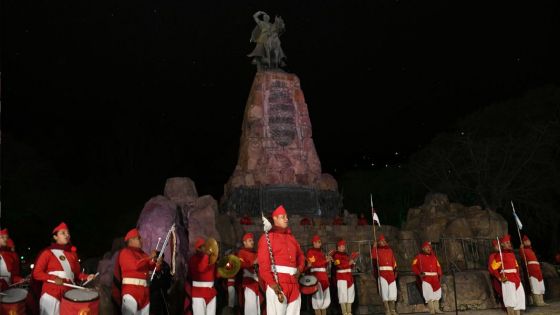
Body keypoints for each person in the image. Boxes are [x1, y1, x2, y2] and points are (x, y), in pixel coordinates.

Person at [32, 222, 95, 315]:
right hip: (51, 293)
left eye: (68, 233)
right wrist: (53, 278)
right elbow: (36, 273)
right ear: (55, 237)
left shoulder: (72, 254)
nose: (67, 235)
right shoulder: (48, 252)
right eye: (63, 233)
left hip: (69, 293)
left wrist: (87, 277)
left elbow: (76, 275)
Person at [257, 205, 305, 315]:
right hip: (277, 284)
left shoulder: (292, 238)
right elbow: (263, 265)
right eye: (282, 217)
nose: (286, 219)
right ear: (275, 219)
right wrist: (272, 284)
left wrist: (300, 269)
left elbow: (301, 256)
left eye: (286, 216)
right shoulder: (267, 237)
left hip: (293, 284)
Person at [112, 228, 161, 315]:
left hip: (144, 292)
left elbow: (153, 268)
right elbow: (135, 266)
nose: (141, 240)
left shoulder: (143, 254)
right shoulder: (125, 252)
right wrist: (149, 257)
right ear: (131, 240)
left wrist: (157, 262)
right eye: (138, 238)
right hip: (131, 291)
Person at [488, 235, 525, 315]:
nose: (509, 244)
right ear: (502, 244)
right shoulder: (499, 255)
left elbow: (516, 266)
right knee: (510, 299)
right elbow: (492, 268)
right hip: (507, 280)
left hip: (516, 279)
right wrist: (500, 277)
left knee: (519, 297)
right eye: (507, 242)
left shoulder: (512, 254)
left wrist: (518, 276)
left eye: (509, 242)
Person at [411, 241, 443, 314]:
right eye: (426, 247)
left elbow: (438, 266)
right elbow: (414, 266)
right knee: (428, 293)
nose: (428, 249)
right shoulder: (418, 257)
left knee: (437, 292)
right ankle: (432, 310)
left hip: (435, 277)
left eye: (429, 247)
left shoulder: (434, 257)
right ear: (423, 249)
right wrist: (419, 273)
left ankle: (437, 309)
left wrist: (439, 273)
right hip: (426, 278)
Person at [189, 237, 218, 315]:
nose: (206, 248)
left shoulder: (210, 259)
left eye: (206, 246)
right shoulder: (193, 259)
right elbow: (201, 268)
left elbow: (216, 275)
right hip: (199, 293)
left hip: (211, 292)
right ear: (198, 249)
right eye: (203, 247)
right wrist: (206, 256)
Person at [371, 234, 398, 315]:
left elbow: (393, 261)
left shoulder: (390, 250)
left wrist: (395, 270)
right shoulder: (377, 250)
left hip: (390, 273)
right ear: (378, 243)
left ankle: (393, 310)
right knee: (384, 291)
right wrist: (374, 247)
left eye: (384, 241)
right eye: (381, 241)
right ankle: (387, 310)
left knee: (393, 291)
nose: (383, 242)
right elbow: (374, 258)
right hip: (382, 274)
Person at [306, 235, 331, 315]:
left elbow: (324, 266)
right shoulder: (310, 252)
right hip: (316, 277)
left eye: (320, 242)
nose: (319, 244)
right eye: (317, 242)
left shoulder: (322, 252)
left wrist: (327, 260)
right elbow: (313, 264)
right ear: (313, 243)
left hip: (324, 277)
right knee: (317, 298)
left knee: (325, 297)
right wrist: (325, 261)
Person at [237, 232, 262, 315]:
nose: (252, 242)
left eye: (253, 240)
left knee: (259, 307)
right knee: (250, 308)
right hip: (248, 283)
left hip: (258, 284)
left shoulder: (256, 253)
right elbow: (241, 265)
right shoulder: (241, 252)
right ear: (244, 242)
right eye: (250, 240)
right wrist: (253, 263)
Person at [520, 235, 547, 306]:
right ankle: (537, 301)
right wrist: (521, 249)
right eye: (526, 241)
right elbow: (523, 257)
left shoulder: (531, 250)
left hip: (537, 269)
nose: (528, 242)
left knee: (540, 284)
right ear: (523, 243)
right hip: (531, 269)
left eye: (528, 240)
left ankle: (542, 301)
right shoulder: (523, 250)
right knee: (534, 285)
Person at [332, 239, 355, 315]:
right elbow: (339, 266)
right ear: (338, 247)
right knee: (343, 295)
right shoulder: (335, 255)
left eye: (343, 246)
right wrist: (348, 263)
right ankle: (344, 312)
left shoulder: (347, 255)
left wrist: (352, 263)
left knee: (350, 295)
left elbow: (349, 267)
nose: (342, 248)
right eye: (340, 246)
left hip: (349, 277)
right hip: (342, 277)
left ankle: (349, 312)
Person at [487, 239, 503, 305]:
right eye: (497, 246)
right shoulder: (492, 256)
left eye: (499, 246)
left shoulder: (503, 254)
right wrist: (497, 276)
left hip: (504, 274)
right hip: (496, 275)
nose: (498, 247)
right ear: (494, 247)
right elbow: (492, 268)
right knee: (498, 288)